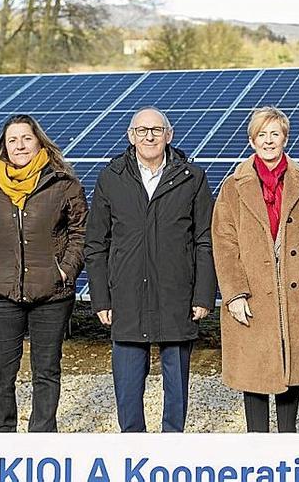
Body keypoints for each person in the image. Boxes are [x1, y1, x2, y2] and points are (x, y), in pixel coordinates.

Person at [84, 106, 215, 433]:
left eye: (157, 130)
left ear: (169, 135)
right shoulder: (111, 178)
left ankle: (172, 451)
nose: (150, 136)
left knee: (177, 387)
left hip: (177, 294)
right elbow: (96, 243)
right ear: (131, 136)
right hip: (126, 295)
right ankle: (134, 449)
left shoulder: (192, 179)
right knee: (127, 387)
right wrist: (101, 298)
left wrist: (203, 295)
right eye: (142, 130)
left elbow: (205, 240)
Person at [0, 114, 87, 432]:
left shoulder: (62, 182)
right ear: (3, 146)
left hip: (51, 294)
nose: (20, 145)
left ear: (39, 142)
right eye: (12, 140)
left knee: (46, 370)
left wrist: (65, 270)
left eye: (26, 138)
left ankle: (42, 438)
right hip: (2, 293)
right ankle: (2, 439)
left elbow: (81, 233)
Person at [212, 107, 299, 433]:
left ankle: (287, 439)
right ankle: (257, 442)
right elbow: (224, 244)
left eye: (275, 134)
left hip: (296, 292)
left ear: (285, 137)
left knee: (291, 362)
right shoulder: (232, 188)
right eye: (262, 135)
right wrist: (235, 294)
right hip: (252, 292)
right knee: (254, 368)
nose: (269, 141)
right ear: (252, 141)